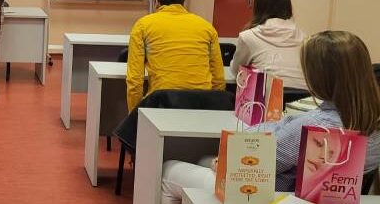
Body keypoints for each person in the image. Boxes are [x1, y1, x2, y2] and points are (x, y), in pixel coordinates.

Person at [160, 31, 380, 203]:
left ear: (318, 77)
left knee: (169, 169)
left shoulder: (314, 127)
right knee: (203, 161)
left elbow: (252, 165)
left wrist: (226, 163)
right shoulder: (372, 123)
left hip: (266, 195)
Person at [126, 0, 225, 111]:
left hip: (163, 101)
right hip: (201, 103)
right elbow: (218, 78)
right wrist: (213, 107)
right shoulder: (207, 27)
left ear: (156, 2)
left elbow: (135, 80)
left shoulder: (142, 26)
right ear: (183, 2)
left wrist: (135, 114)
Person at [230, 0, 307, 90]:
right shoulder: (304, 37)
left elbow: (237, 72)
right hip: (302, 97)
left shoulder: (248, 37)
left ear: (257, 8)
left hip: (266, 97)